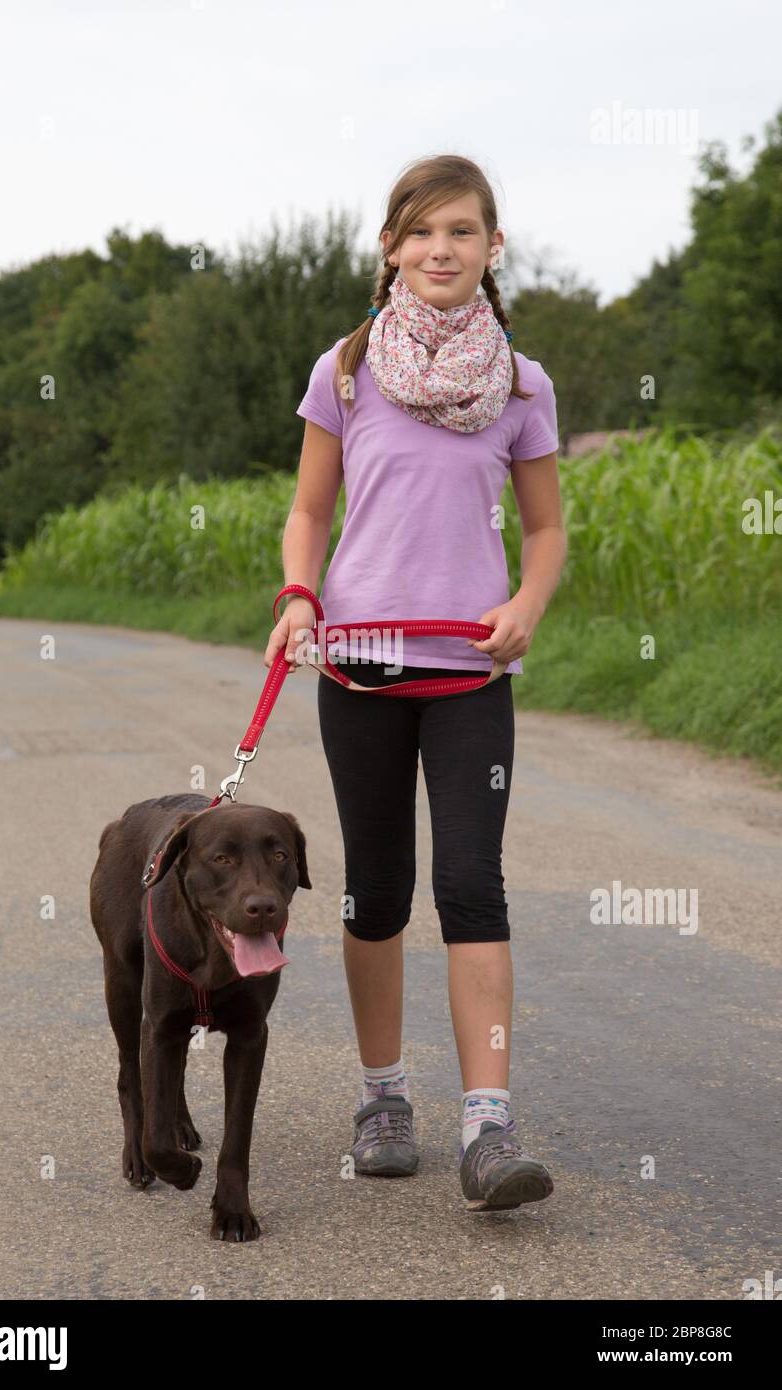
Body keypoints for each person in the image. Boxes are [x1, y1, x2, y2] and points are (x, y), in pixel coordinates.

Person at [264, 154, 567, 1212]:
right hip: (359, 666)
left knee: (470, 885)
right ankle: (382, 1096)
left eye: (463, 232)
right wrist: (299, 595)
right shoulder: (343, 371)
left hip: (468, 673)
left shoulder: (519, 384)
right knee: (375, 887)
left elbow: (543, 529)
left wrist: (524, 607)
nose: (441, 250)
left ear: (491, 248)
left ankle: (488, 1127)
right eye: (421, 232)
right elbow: (309, 509)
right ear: (391, 247)